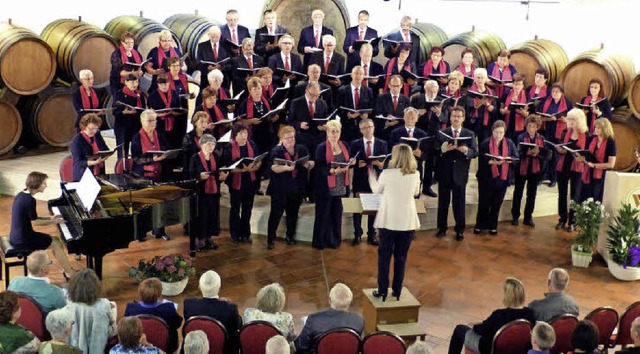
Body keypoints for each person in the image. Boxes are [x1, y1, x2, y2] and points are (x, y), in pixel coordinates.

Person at [369, 143, 421, 301]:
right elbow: (416, 192)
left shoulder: (386, 174)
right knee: (401, 257)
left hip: (388, 221)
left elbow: (376, 190)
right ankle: (397, 291)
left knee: (384, 257)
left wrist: (372, 177)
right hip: (407, 222)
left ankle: (382, 290)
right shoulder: (416, 174)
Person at [10, 171, 76, 276]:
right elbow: (35, 222)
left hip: (16, 236)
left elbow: (32, 217)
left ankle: (67, 270)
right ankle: (69, 273)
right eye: (44, 183)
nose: (46, 186)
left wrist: (49, 217)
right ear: (37, 184)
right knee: (56, 243)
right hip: (23, 240)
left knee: (55, 241)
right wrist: (53, 221)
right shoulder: (30, 200)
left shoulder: (22, 195)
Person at [447, 277, 535, 354]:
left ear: (508, 296)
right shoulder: (530, 314)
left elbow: (481, 330)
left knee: (459, 329)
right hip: (517, 349)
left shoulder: (499, 314)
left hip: (490, 349)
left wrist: (475, 325)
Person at [435, 106, 478, 241]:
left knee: (459, 203)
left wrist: (466, 151)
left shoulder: (469, 133)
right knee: (443, 202)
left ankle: (460, 229)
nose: (456, 118)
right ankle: (442, 228)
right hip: (445, 172)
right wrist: (442, 149)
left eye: (459, 116)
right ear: (450, 117)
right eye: (454, 116)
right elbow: (435, 151)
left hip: (460, 173)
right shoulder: (442, 133)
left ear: (463, 118)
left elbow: (475, 152)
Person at [267, 126, 314, 248]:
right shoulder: (276, 151)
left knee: (293, 213)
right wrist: (286, 168)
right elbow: (273, 167)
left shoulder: (301, 149)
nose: (290, 140)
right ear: (281, 139)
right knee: (275, 215)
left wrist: (309, 164)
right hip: (280, 189)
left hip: (296, 188)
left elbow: (312, 161)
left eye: (292, 137)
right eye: (287, 138)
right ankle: (271, 239)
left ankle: (290, 236)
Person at [312, 120, 352, 249]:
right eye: (332, 131)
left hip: (340, 186)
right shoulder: (322, 147)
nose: (334, 134)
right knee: (323, 216)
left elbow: (347, 160)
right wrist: (331, 171)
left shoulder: (344, 145)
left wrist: (351, 161)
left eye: (337, 131)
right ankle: (320, 242)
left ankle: (334, 241)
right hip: (326, 187)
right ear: (327, 132)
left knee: (336, 216)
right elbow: (319, 167)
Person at [131, 110, 171, 240]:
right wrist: (152, 159)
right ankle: (141, 233)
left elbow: (166, 148)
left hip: (159, 172)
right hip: (143, 175)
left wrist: (165, 155)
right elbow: (136, 159)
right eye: (150, 120)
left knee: (160, 203)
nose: (153, 123)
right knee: (144, 205)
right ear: (142, 122)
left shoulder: (159, 134)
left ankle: (159, 231)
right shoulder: (136, 137)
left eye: (154, 120)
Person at [474, 120, 518, 236]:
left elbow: (515, 158)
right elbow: (481, 159)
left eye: (501, 133)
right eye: (496, 132)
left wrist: (507, 160)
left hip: (502, 178)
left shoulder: (509, 143)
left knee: (496, 203)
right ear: (492, 131)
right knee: (484, 202)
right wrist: (490, 161)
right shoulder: (485, 143)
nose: (499, 135)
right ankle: (480, 225)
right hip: (487, 177)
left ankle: (493, 225)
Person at [294, 283, 364, 354]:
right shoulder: (359, 321)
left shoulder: (313, 320)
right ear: (350, 302)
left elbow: (301, 346)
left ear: (329, 300)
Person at [222, 122, 262, 244]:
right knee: (235, 209)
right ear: (235, 134)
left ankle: (246, 233)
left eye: (246, 132)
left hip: (250, 181)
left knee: (247, 209)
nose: (244, 135)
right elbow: (227, 167)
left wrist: (256, 167)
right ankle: (235, 234)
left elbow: (258, 160)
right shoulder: (229, 148)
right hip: (236, 182)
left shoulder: (252, 144)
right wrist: (242, 170)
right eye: (241, 133)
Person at [184, 270, 242, 354]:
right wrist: (226, 304)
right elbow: (237, 325)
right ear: (219, 288)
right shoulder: (230, 308)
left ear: (199, 287)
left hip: (195, 347)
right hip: (224, 349)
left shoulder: (189, 304)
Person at [189, 134, 228, 255]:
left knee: (212, 214)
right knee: (202, 216)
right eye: (209, 144)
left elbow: (217, 172)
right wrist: (199, 176)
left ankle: (209, 237)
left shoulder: (215, 156)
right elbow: (190, 175)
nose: (212, 146)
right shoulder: (195, 158)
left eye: (213, 144)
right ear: (202, 145)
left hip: (214, 190)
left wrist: (222, 176)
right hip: (201, 192)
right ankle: (200, 238)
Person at [350, 119, 387, 246]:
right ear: (360, 130)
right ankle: (357, 235)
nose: (368, 130)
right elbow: (351, 163)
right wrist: (356, 165)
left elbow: (384, 164)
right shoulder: (355, 144)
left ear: (374, 127)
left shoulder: (382, 143)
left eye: (370, 127)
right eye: (365, 128)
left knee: (373, 208)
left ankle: (372, 235)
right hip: (360, 180)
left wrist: (380, 164)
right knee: (357, 208)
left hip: (376, 180)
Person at [64, 269, 117, 354]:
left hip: (74, 345)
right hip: (98, 345)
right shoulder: (104, 304)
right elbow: (111, 331)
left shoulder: (68, 303)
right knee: (114, 309)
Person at [124, 278, 182, 353]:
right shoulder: (168, 308)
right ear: (159, 293)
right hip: (165, 347)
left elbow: (126, 329)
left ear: (140, 293)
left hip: (137, 346)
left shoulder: (130, 308)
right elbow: (177, 324)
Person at [555, 108, 588, 232]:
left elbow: (587, 153)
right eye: (569, 119)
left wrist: (582, 157)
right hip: (564, 164)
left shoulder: (586, 134)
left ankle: (572, 222)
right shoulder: (565, 132)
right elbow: (561, 146)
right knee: (562, 193)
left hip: (577, 167)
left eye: (573, 119)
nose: (571, 121)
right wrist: (560, 150)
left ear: (579, 120)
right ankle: (562, 219)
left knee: (575, 195)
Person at [411, 79, 444, 197]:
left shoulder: (441, 100)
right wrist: (418, 113)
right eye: (430, 92)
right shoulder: (417, 99)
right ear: (425, 89)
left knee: (431, 162)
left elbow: (445, 119)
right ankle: (416, 187)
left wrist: (439, 113)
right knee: (418, 161)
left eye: (434, 92)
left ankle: (427, 187)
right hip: (420, 133)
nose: (432, 94)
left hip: (433, 135)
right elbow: (409, 115)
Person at [511, 115, 545, 227]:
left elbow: (545, 156)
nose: (531, 128)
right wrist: (526, 153)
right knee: (518, 192)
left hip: (535, 169)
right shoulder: (520, 137)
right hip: (522, 168)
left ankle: (528, 217)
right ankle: (515, 216)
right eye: (529, 126)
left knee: (532, 194)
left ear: (537, 128)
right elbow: (516, 153)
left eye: (533, 126)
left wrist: (538, 154)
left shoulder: (541, 139)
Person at [538, 83, 572, 187]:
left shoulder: (567, 103)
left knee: (556, 156)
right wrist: (548, 118)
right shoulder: (545, 100)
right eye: (553, 91)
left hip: (560, 132)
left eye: (557, 92)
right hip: (546, 130)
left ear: (562, 93)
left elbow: (571, 119)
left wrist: (565, 119)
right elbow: (539, 116)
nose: (555, 94)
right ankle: (542, 177)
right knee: (545, 153)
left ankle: (554, 178)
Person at [580, 118, 616, 202]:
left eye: (598, 128)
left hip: (601, 175)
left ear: (605, 129)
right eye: (595, 127)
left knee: (597, 199)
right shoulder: (592, 139)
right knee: (586, 197)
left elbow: (611, 164)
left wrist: (595, 165)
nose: (596, 129)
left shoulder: (611, 142)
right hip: (589, 172)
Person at [336, 65, 374, 142]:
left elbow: (373, 108)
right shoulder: (342, 90)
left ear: (364, 76)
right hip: (347, 127)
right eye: (356, 73)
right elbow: (337, 108)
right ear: (351, 75)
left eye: (361, 74)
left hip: (363, 127)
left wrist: (367, 115)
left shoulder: (368, 91)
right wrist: (347, 115)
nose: (358, 76)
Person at [113, 74, 146, 159]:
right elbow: (115, 111)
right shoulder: (119, 94)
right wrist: (124, 112)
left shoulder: (140, 94)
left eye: (136, 82)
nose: (134, 84)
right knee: (123, 150)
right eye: (132, 82)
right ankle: (122, 167)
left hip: (136, 125)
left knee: (137, 147)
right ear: (126, 82)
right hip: (123, 125)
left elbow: (143, 108)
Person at [70, 113, 109, 181]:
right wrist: (94, 162)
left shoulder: (97, 135)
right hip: (83, 174)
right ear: (84, 126)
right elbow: (78, 163)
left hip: (99, 172)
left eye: (96, 129)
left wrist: (106, 155)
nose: (94, 131)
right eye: (91, 129)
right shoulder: (77, 141)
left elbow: (105, 149)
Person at [147, 74, 182, 149]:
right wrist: (161, 115)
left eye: (165, 83)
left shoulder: (174, 93)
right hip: (159, 125)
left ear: (169, 83)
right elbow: (150, 113)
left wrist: (173, 113)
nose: (164, 86)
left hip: (173, 125)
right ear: (158, 84)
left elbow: (179, 110)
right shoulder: (152, 95)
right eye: (161, 84)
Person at [465, 68, 498, 145]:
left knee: (484, 145)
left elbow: (495, 109)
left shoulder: (491, 92)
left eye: (482, 78)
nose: (480, 80)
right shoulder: (469, 91)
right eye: (478, 77)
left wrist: (489, 106)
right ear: (474, 78)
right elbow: (468, 105)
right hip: (472, 121)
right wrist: (478, 103)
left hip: (486, 123)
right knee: (469, 144)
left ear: (485, 79)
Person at [373, 74, 409, 142]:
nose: (395, 88)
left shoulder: (406, 99)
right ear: (389, 85)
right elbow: (377, 114)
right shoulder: (381, 98)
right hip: (385, 133)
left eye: (397, 86)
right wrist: (386, 123)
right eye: (393, 86)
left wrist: (396, 120)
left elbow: (407, 116)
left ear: (401, 85)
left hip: (400, 134)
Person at [109, 31, 144, 97]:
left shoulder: (137, 53)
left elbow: (141, 67)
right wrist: (132, 73)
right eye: (127, 43)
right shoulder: (117, 54)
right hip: (119, 84)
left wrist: (141, 72)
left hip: (133, 83)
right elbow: (118, 72)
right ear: (122, 43)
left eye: (132, 42)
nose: (130, 45)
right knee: (121, 104)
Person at [499, 73, 530, 140]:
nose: (517, 87)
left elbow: (528, 114)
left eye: (519, 85)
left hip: (520, 126)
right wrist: (503, 110)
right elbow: (501, 108)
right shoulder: (507, 93)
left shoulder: (527, 95)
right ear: (512, 84)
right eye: (515, 84)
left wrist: (523, 113)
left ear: (523, 85)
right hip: (508, 123)